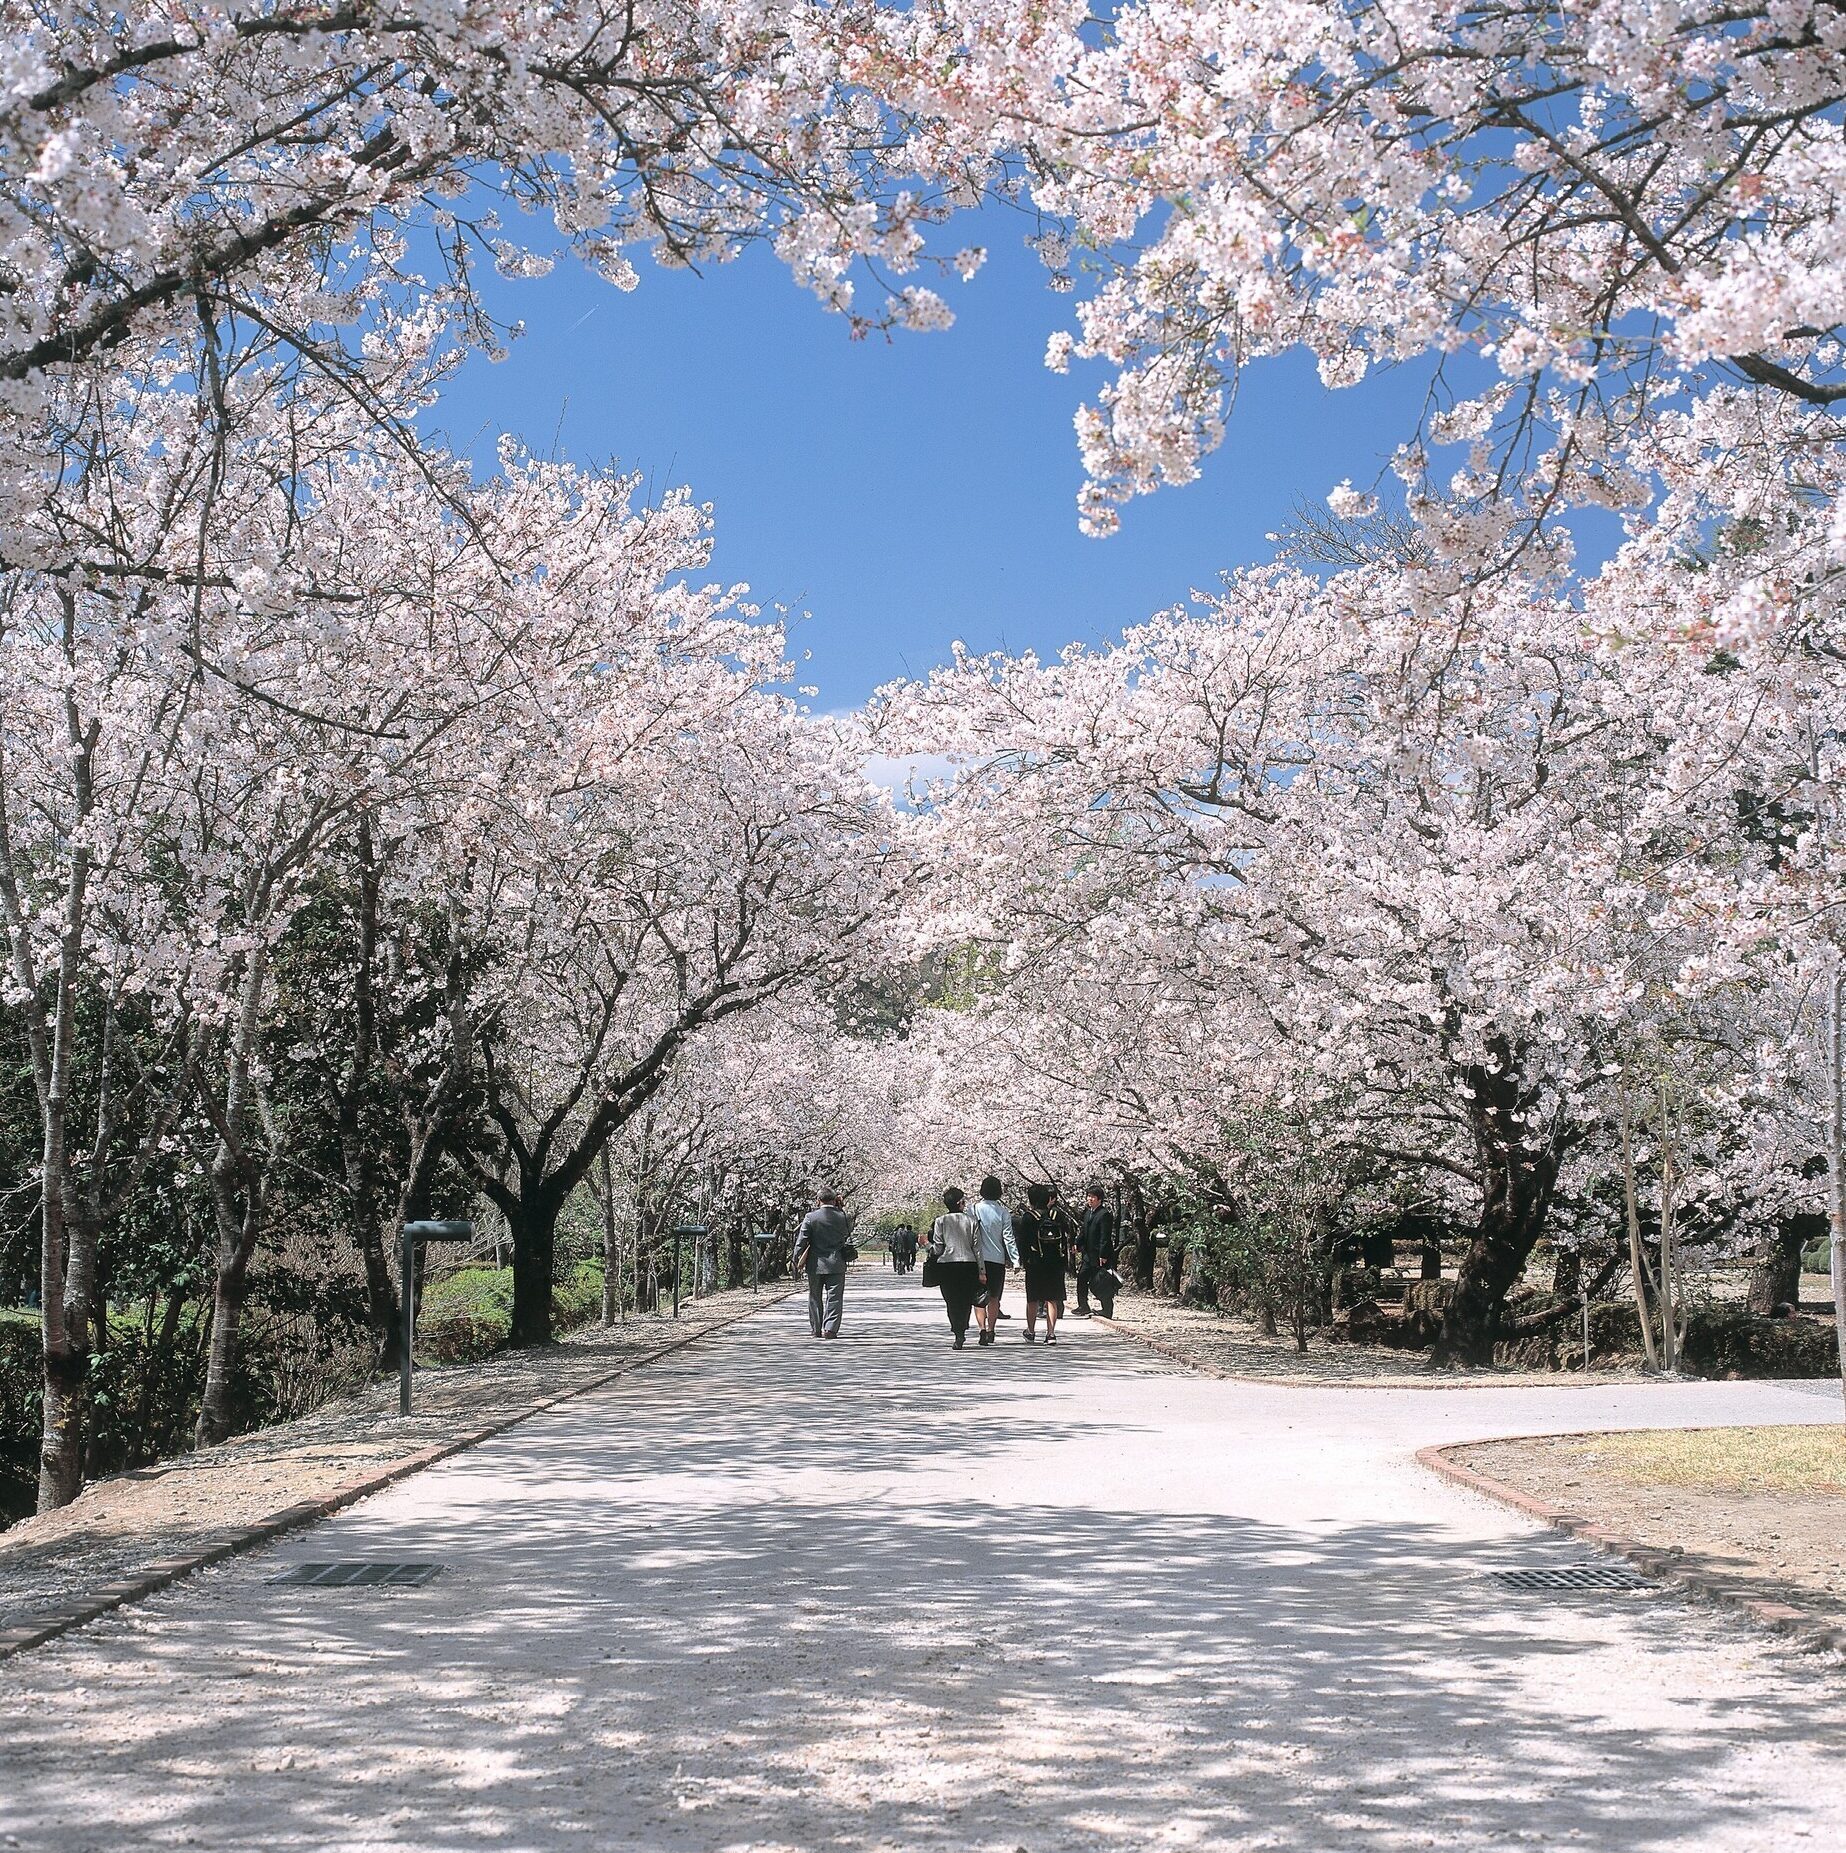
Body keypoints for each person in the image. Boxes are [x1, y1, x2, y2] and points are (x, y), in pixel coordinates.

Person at [792, 1189, 855, 1338]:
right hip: (837, 1262)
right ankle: (830, 1329)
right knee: (835, 1297)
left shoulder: (810, 1217)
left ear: (818, 1200)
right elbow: (847, 1232)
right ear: (835, 1199)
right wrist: (840, 1208)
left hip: (815, 1263)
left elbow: (802, 1240)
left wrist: (795, 1257)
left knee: (814, 1296)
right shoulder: (844, 1217)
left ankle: (816, 1328)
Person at [926, 1187, 983, 1348]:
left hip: (947, 1265)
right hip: (968, 1264)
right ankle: (962, 1330)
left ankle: (957, 1331)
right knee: (966, 1300)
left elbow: (938, 1248)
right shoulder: (971, 1221)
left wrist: (927, 1245)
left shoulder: (940, 1221)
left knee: (951, 1300)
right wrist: (982, 1271)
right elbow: (977, 1248)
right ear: (960, 1203)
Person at [1014, 1182, 1071, 1344]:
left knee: (1032, 1298)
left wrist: (1022, 1261)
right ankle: (1051, 1333)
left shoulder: (1028, 1217)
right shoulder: (1057, 1215)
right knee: (1052, 1298)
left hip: (1035, 1263)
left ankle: (1031, 1331)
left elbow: (1022, 1242)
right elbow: (1066, 1237)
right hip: (1055, 1263)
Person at [971, 1174, 1018, 1347]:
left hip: (978, 1260)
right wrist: (1015, 1259)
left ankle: (981, 1328)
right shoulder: (1003, 1212)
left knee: (979, 1296)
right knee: (994, 1297)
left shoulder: (973, 1209)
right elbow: (1008, 1237)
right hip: (997, 1260)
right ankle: (991, 1329)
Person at [1076, 1186, 1119, 1318]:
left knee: (1101, 1282)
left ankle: (1107, 1309)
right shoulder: (1088, 1213)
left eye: (1093, 1197)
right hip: (1088, 1254)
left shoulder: (1104, 1214)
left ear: (1099, 1199)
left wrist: (1103, 1255)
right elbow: (1083, 1231)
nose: (1090, 1199)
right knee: (1081, 1278)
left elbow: (1104, 1236)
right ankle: (1083, 1305)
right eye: (1088, 1196)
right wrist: (1077, 1243)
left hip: (1099, 1254)